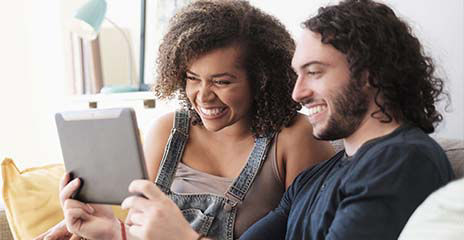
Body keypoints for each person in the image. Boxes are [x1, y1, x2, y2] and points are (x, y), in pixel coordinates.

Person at [47, 0, 455, 239]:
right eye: (297, 75)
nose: (297, 93)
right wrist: (114, 232)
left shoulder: (402, 160)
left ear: (369, 75)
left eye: (314, 72)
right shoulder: (320, 177)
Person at [35, 0, 334, 240]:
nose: (203, 96)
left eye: (222, 82)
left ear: (261, 80)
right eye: (192, 78)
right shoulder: (168, 131)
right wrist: (108, 230)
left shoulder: (295, 139)